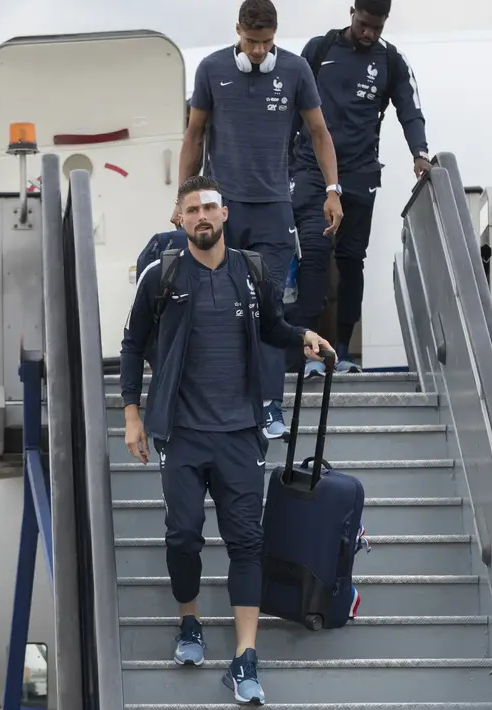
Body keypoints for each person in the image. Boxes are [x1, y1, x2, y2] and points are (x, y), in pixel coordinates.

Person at [122, 176, 333, 705]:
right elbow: (130, 346)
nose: (202, 216)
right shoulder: (162, 274)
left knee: (247, 545)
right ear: (180, 218)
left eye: (210, 207)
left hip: (240, 434)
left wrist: (302, 337)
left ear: (226, 213)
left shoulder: (251, 271)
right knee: (183, 538)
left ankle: (244, 657)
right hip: (183, 435)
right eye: (192, 209)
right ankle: (189, 622)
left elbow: (272, 327)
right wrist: (132, 416)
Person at [176, 0, 343, 439]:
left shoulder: (294, 71)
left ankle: (270, 405)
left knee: (268, 306)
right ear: (238, 32)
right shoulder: (211, 69)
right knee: (214, 302)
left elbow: (320, 132)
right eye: (251, 42)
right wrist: (184, 198)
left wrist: (332, 189)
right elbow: (194, 134)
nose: (257, 51)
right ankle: (215, 396)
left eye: (266, 43)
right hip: (221, 209)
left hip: (273, 209)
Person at [288, 0, 431, 375]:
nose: (369, 33)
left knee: (352, 261)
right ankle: (311, 352)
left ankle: (345, 353)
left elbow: (410, 110)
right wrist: (281, 163)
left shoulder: (391, 62)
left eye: (377, 28)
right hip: (311, 169)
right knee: (315, 255)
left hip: (359, 173)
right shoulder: (319, 50)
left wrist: (420, 152)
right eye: (364, 24)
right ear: (352, 12)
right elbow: (291, 109)